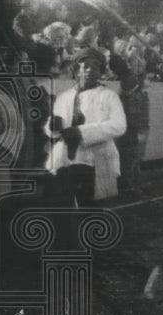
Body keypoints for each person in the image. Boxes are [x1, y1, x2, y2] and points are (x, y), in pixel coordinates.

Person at [45, 48, 126, 205]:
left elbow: (119, 125)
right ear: (77, 70)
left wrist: (82, 132)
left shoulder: (109, 96)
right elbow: (55, 131)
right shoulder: (64, 97)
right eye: (85, 66)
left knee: (93, 212)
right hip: (66, 161)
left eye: (96, 67)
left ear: (101, 71)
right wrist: (52, 127)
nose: (90, 70)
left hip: (97, 161)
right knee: (61, 210)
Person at [116, 69, 150, 194]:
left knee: (132, 159)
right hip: (130, 132)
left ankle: (134, 182)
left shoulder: (126, 96)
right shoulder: (131, 97)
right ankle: (128, 186)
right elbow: (132, 115)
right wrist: (138, 131)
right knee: (130, 159)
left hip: (128, 131)